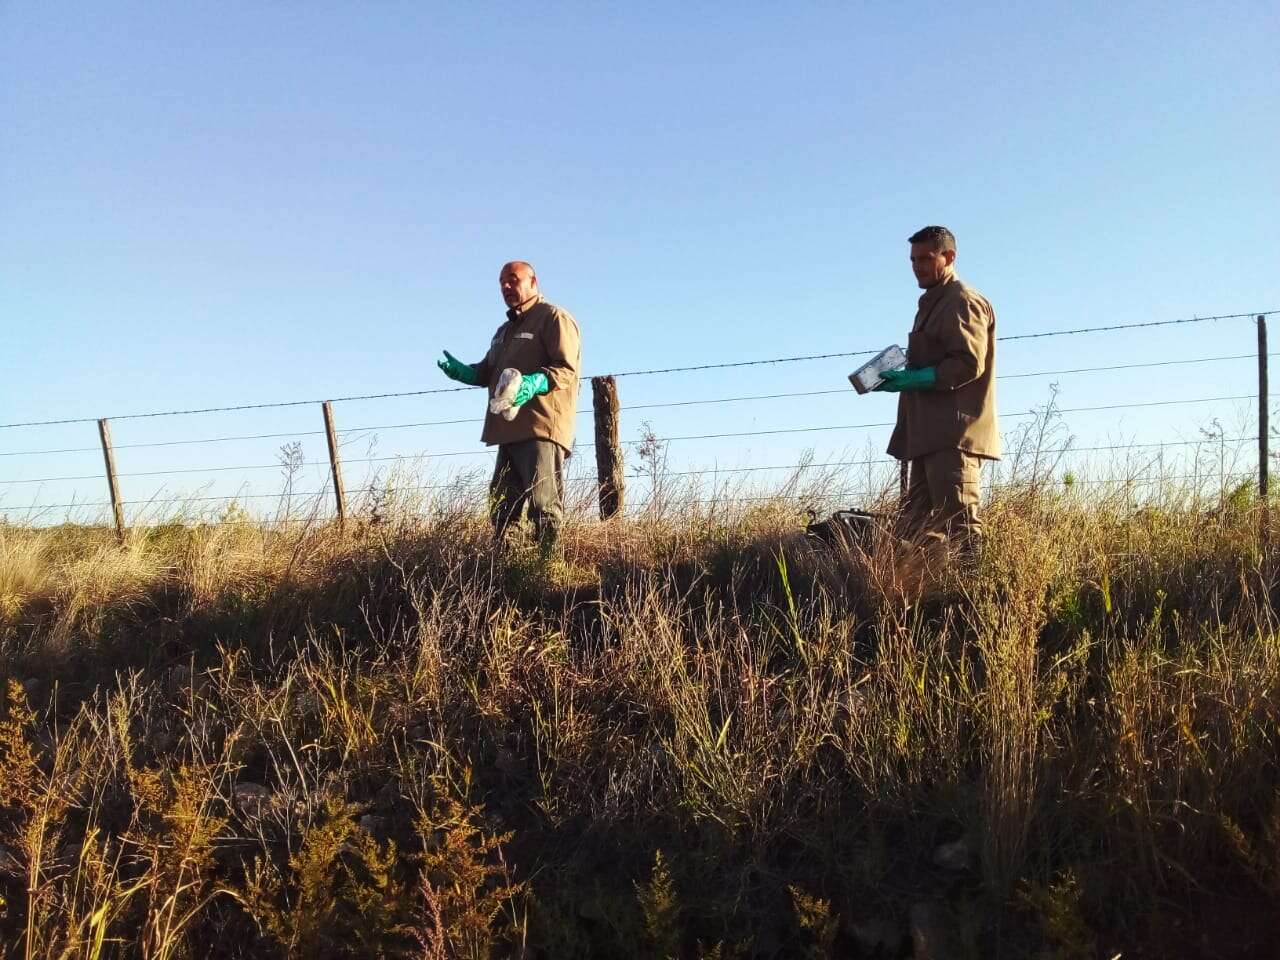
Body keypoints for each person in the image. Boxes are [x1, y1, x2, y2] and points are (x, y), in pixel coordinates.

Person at [436, 261, 582, 555]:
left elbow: (566, 369)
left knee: (543, 505)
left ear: (533, 281)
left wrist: (534, 383)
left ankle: (546, 569)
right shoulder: (504, 331)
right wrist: (465, 372)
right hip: (507, 428)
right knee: (503, 508)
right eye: (502, 282)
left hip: (540, 426)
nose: (505, 287)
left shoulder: (553, 317)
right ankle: (505, 569)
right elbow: (488, 371)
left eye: (513, 280)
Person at [876, 226, 999, 553]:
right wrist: (904, 376)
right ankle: (926, 585)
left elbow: (968, 363)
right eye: (913, 260)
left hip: (953, 434)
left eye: (926, 258)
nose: (917, 266)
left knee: (960, 525)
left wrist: (914, 380)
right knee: (915, 528)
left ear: (949, 256)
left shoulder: (962, 300)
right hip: (927, 435)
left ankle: (973, 585)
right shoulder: (933, 302)